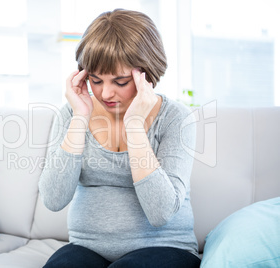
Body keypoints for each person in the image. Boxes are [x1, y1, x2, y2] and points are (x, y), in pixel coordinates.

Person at [39, 9, 200, 268]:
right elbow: (53, 199)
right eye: (96, 79)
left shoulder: (175, 118)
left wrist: (134, 125)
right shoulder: (71, 112)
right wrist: (80, 117)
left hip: (165, 247)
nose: (106, 93)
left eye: (121, 81)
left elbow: (161, 213)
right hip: (86, 247)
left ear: (147, 74)